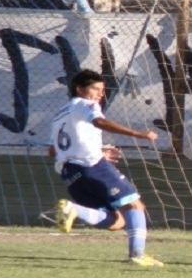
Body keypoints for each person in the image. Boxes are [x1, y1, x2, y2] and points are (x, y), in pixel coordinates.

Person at [50, 69, 164, 266]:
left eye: (102, 90)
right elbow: (99, 121)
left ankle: (74, 210)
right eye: (95, 89)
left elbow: (52, 150)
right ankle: (137, 256)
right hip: (92, 166)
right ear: (79, 89)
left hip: (70, 173)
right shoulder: (85, 104)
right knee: (135, 205)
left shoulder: (59, 116)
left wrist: (96, 150)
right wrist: (139, 134)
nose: (100, 94)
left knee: (117, 221)